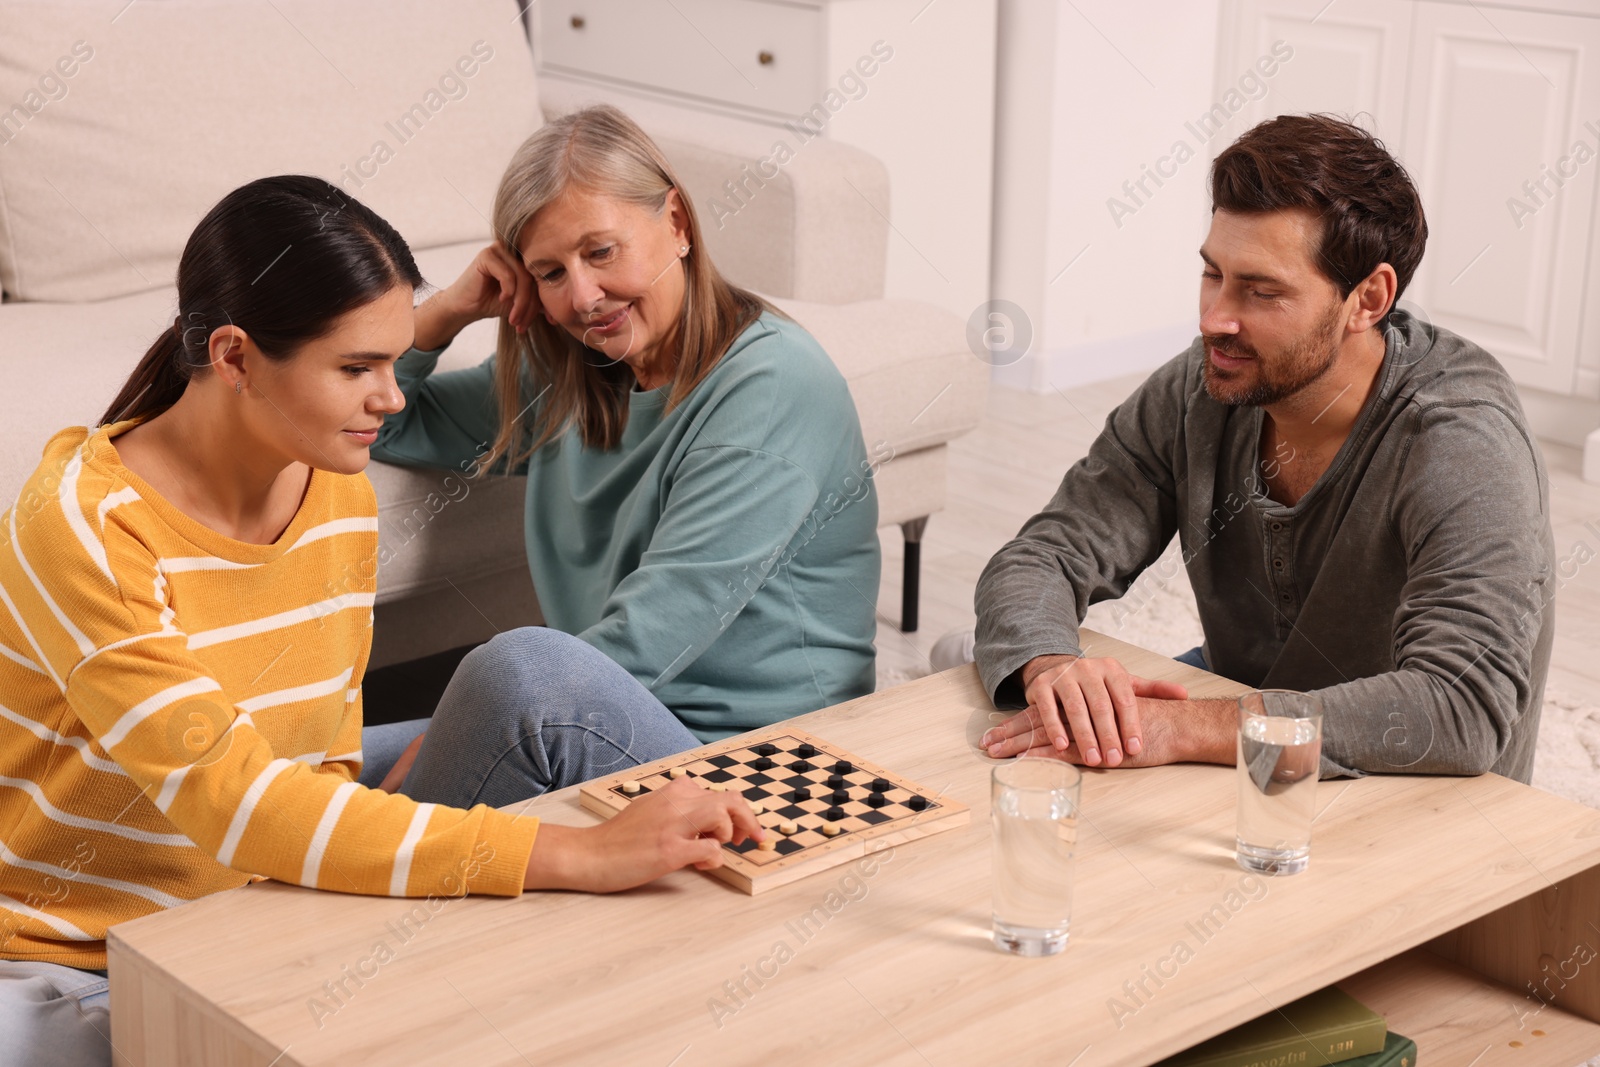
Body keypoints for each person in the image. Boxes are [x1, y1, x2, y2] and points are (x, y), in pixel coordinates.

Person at [0, 176, 763, 1065]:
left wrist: (372, 840)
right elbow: (236, 802)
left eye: (394, 363)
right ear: (237, 357)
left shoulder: (335, 494)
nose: (392, 399)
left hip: (270, 887)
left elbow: (322, 752)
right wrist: (576, 855)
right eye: (357, 369)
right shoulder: (82, 525)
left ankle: (773, 873)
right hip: (91, 951)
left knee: (536, 678)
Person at [970, 114, 1554, 781]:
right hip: (1244, 739)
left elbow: (1460, 710)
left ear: (1369, 298)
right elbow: (1045, 553)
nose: (1214, 317)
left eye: (1262, 290)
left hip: (1410, 787)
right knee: (1020, 768)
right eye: (1212, 274)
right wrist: (1051, 664)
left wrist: (1183, 725)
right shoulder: (1203, 387)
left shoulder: (1461, 438)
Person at [369, 103, 882, 764]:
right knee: (317, 772)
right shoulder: (570, 376)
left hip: (762, 754)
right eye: (551, 273)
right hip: (598, 708)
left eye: (600, 251)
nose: (582, 296)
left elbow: (647, 637)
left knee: (510, 678)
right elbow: (381, 420)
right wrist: (443, 311)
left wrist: (442, 741)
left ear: (676, 224)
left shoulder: (772, 387)